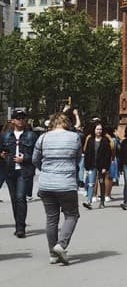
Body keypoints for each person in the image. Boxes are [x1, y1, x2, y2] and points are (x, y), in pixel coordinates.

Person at [32, 112, 82, 263]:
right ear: (67, 122)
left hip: (46, 184)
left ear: (52, 123)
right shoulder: (74, 137)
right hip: (66, 183)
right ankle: (61, 244)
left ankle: (52, 254)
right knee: (72, 215)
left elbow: (35, 159)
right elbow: (78, 158)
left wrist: (46, 170)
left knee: (51, 219)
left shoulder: (43, 137)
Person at [0, 108, 38, 238]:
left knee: (21, 197)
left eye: (23, 118)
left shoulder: (31, 136)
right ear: (13, 120)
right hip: (9, 170)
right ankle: (18, 224)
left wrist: (25, 158)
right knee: (14, 200)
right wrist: (2, 155)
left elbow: (37, 155)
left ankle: (21, 227)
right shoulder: (5, 135)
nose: (20, 120)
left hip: (24, 170)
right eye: (18, 118)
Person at [82, 122, 113, 210]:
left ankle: (102, 201)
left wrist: (105, 167)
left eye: (100, 129)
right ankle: (89, 201)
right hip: (92, 165)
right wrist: (86, 165)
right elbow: (87, 153)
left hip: (102, 166)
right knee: (91, 183)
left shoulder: (105, 141)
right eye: (97, 129)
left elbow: (108, 155)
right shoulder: (91, 140)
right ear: (94, 130)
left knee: (101, 183)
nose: (99, 131)